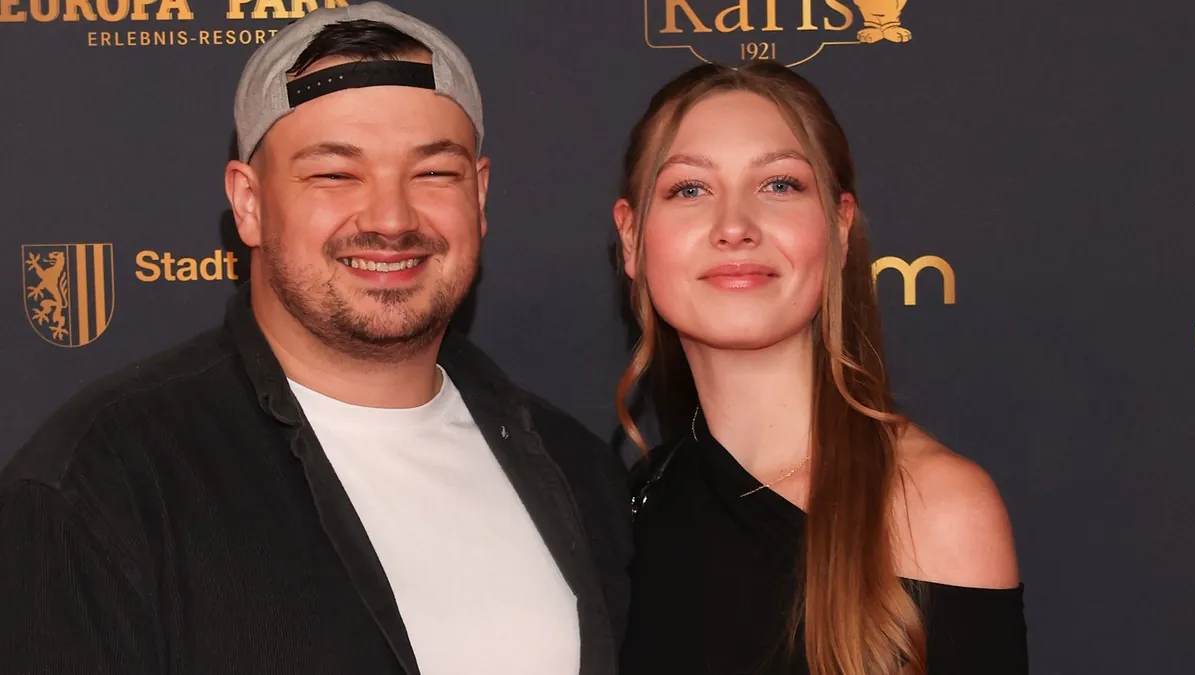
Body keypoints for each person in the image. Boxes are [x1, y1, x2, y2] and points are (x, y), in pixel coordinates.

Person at [0, 4, 630, 675]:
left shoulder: (576, 469)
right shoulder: (103, 484)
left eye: (433, 173)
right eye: (335, 174)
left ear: (478, 196)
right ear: (249, 203)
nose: (391, 219)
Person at [612, 60, 1027, 675]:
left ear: (839, 226)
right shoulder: (627, 506)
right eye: (690, 189)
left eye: (779, 185)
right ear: (631, 240)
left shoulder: (931, 507)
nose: (735, 227)